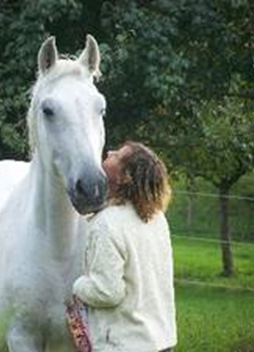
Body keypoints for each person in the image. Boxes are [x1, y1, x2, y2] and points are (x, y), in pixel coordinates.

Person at [72, 141, 177, 352]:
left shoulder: (107, 224)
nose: (109, 152)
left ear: (124, 177)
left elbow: (107, 292)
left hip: (125, 344)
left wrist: (77, 286)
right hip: (162, 341)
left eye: (118, 155)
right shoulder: (156, 217)